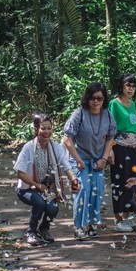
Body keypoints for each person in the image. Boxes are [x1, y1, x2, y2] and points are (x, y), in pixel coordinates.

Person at [14, 113, 80, 246]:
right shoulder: (29, 147)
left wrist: (73, 180)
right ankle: (31, 232)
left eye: (49, 128)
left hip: (46, 188)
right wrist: (37, 184)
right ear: (36, 129)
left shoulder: (55, 147)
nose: (46, 132)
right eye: (43, 128)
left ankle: (44, 229)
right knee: (39, 203)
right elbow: (20, 172)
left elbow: (66, 166)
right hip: (26, 188)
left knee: (53, 208)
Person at [63, 83, 117, 240]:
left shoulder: (107, 115)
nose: (96, 101)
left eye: (100, 98)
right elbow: (67, 138)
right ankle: (79, 227)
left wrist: (104, 158)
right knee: (83, 190)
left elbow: (110, 137)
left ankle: (92, 226)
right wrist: (78, 161)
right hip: (80, 158)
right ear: (87, 98)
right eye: (92, 98)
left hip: (98, 158)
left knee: (97, 191)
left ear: (104, 99)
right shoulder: (79, 114)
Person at [108, 74, 136, 232]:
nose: (130, 89)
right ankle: (119, 218)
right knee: (120, 180)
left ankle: (129, 217)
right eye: (128, 85)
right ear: (121, 86)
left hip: (133, 148)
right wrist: (110, 149)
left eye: (133, 86)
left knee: (133, 180)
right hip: (119, 147)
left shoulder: (133, 104)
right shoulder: (114, 104)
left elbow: (134, 127)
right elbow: (109, 128)